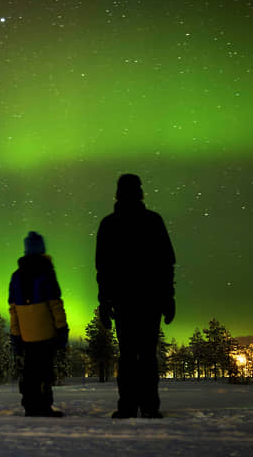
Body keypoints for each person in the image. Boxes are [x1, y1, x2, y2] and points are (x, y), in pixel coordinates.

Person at [96, 173, 176, 419]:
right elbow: (166, 264)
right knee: (147, 355)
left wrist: (104, 301)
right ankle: (149, 407)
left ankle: (128, 406)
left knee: (129, 355)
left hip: (123, 301)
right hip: (149, 299)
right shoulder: (153, 221)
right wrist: (168, 297)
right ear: (141, 193)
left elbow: (103, 268)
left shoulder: (109, 224)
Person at [8, 231, 68, 417]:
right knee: (44, 371)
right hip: (46, 331)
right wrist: (62, 328)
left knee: (30, 371)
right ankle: (43, 406)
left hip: (26, 333)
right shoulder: (47, 272)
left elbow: (13, 309)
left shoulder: (16, 276)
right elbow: (55, 304)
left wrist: (16, 334)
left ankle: (30, 404)